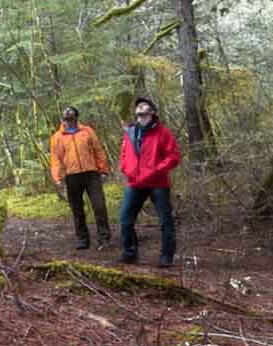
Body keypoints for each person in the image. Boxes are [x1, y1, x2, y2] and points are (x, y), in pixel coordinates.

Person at [118, 96, 182, 267]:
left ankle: (167, 256)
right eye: (138, 106)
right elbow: (124, 155)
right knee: (125, 219)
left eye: (144, 105)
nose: (140, 107)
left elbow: (174, 157)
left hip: (157, 183)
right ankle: (130, 252)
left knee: (165, 221)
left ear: (152, 112)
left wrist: (155, 169)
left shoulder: (163, 132)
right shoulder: (130, 132)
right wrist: (125, 167)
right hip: (135, 183)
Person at [49, 105, 111, 250]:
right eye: (65, 118)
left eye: (70, 117)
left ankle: (104, 238)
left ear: (76, 117)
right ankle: (82, 239)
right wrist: (58, 178)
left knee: (99, 206)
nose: (67, 121)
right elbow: (56, 159)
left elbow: (98, 150)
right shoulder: (57, 137)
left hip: (91, 174)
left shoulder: (87, 131)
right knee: (77, 209)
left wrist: (103, 170)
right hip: (71, 176)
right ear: (62, 120)